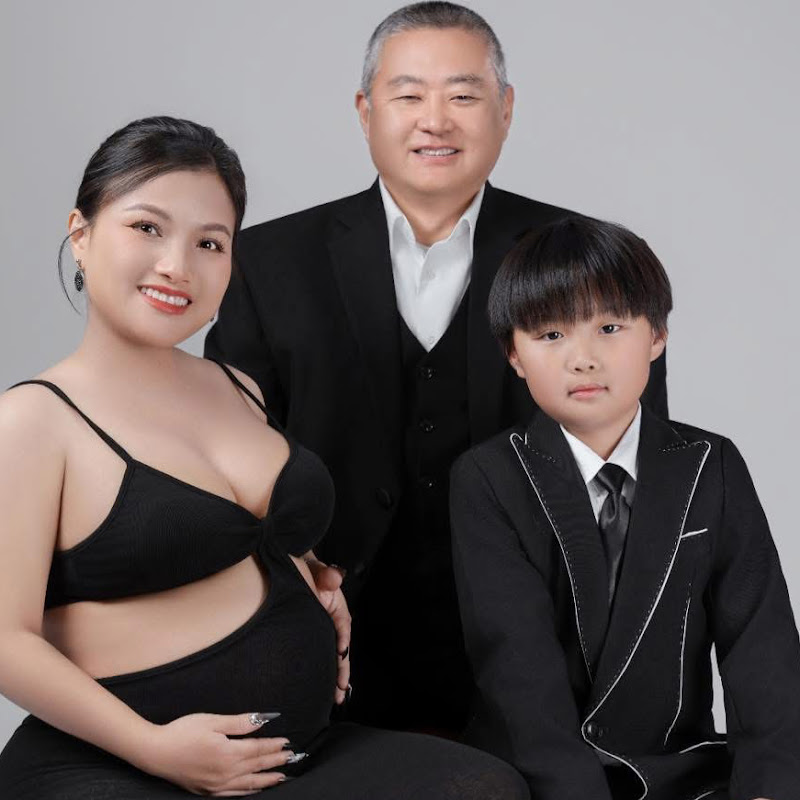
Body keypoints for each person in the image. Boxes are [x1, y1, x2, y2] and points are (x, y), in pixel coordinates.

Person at [0, 116, 530, 800]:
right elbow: (6, 640)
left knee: (487, 788)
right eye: (147, 227)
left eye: (210, 243)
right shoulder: (33, 421)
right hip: (117, 763)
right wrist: (156, 750)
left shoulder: (237, 387)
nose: (177, 266)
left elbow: (236, 535)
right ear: (81, 233)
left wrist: (312, 580)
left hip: (290, 755)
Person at [205, 0, 668, 735]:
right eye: (408, 95)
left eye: (462, 96)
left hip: (543, 658)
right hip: (324, 646)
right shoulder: (266, 262)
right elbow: (223, 461)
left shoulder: (589, 261)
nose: (435, 120)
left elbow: (639, 476)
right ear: (365, 112)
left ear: (505, 110)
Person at [450, 214, 800, 800]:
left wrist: (771, 788)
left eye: (609, 327)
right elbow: (516, 668)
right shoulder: (488, 478)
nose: (583, 358)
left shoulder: (708, 463)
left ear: (656, 336)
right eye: (551, 335)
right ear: (514, 354)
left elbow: (760, 645)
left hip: (676, 765)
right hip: (535, 773)